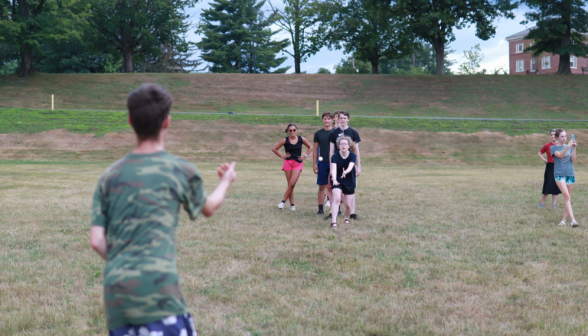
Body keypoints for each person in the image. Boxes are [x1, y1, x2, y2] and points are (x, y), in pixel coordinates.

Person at [89, 84, 237, 335]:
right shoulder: (180, 169)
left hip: (116, 295)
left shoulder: (108, 176)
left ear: (129, 121)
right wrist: (225, 181)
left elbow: (96, 241)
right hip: (159, 292)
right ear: (167, 121)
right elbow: (209, 208)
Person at [327, 111, 361, 221]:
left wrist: (359, 166)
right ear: (338, 119)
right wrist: (331, 166)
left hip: (350, 164)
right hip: (337, 164)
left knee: (351, 188)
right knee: (336, 188)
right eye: (341, 118)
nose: (342, 120)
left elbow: (357, 151)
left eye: (345, 118)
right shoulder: (333, 133)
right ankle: (334, 212)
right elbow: (331, 151)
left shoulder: (353, 132)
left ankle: (352, 212)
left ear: (348, 119)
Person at [272, 123, 313, 211]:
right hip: (288, 163)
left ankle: (282, 202)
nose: (292, 132)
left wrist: (304, 156)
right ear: (288, 131)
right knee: (290, 184)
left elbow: (310, 147)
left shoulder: (301, 139)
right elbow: (274, 149)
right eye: (290, 130)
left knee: (292, 183)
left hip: (298, 163)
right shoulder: (285, 140)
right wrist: (282, 156)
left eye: (294, 130)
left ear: (296, 130)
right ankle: (292, 205)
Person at [550, 128, 578, 227]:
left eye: (565, 136)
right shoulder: (553, 148)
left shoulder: (569, 146)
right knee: (566, 196)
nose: (564, 138)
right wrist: (568, 146)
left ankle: (563, 220)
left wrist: (573, 148)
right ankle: (573, 220)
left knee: (567, 198)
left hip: (570, 174)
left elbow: (573, 159)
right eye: (562, 136)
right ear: (557, 137)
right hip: (559, 175)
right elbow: (561, 156)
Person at [329, 136, 357, 228]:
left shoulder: (353, 155)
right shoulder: (335, 156)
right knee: (336, 199)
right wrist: (334, 179)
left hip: (349, 179)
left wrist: (346, 171)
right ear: (339, 146)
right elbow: (333, 169)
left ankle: (346, 218)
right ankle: (334, 222)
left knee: (348, 205)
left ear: (349, 146)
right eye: (341, 144)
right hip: (337, 179)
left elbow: (351, 166)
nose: (343, 145)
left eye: (345, 144)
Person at [313, 112, 334, 215]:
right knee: (322, 187)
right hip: (323, 163)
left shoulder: (337, 132)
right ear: (322, 120)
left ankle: (336, 209)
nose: (327, 120)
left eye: (329, 119)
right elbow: (316, 149)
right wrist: (314, 163)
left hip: (334, 163)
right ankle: (320, 210)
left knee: (334, 186)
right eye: (325, 118)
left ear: (332, 120)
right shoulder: (318, 133)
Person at [538, 129, 560, 208]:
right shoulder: (547, 145)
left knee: (556, 185)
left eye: (554, 134)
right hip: (550, 167)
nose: (552, 136)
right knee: (547, 184)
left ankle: (554, 204)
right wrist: (544, 159)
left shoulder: (560, 145)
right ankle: (542, 203)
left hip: (558, 167)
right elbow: (540, 152)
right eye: (551, 134)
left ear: (557, 135)